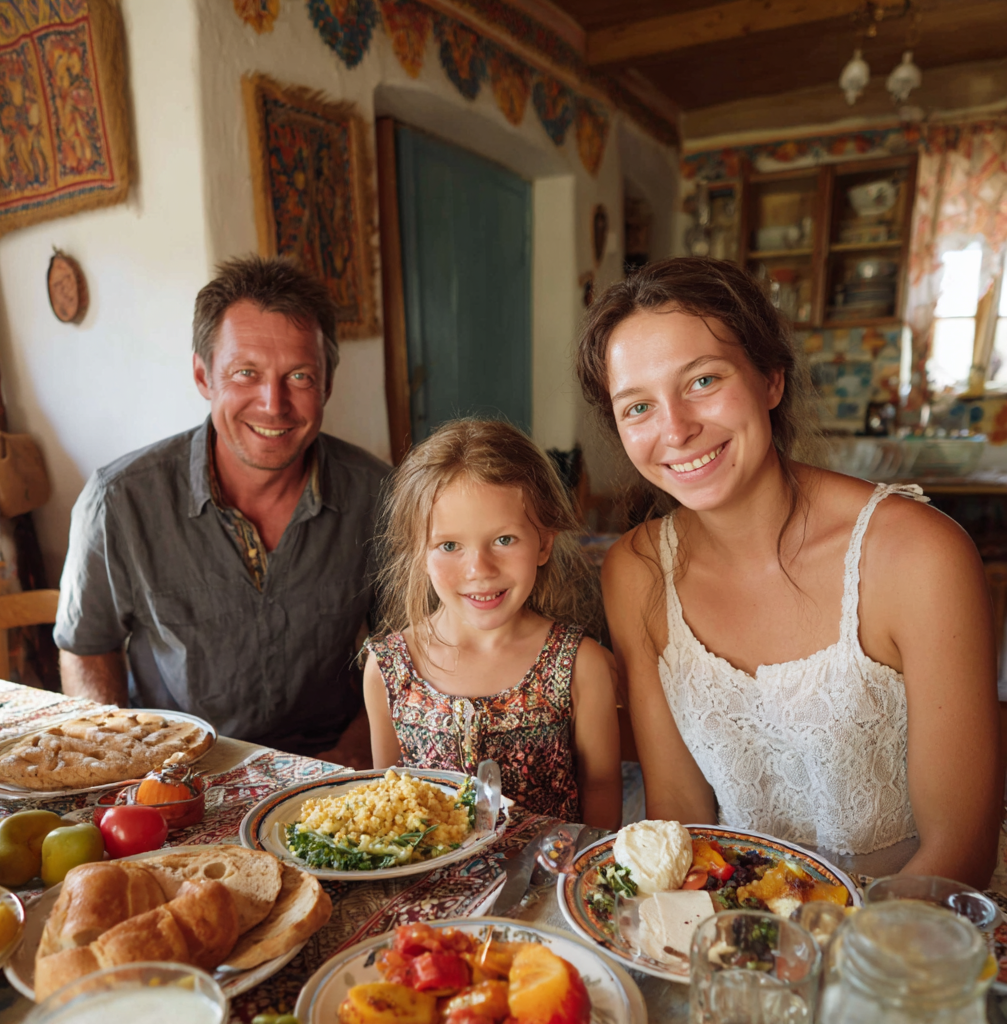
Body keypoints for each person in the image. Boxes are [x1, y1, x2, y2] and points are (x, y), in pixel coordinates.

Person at [578, 257, 1001, 886]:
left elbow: (961, 849)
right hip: (735, 930)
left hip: (908, 942)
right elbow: (682, 820)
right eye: (637, 407)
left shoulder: (917, 556)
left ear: (771, 379)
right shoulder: (635, 571)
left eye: (702, 381)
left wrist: (813, 959)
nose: (677, 428)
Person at [54, 256, 389, 755]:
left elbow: (410, 653)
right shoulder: (119, 500)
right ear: (202, 376)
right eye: (246, 373)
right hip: (178, 768)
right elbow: (85, 648)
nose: (273, 404)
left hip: (331, 768)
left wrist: (349, 760)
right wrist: (121, 758)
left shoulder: (381, 494)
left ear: (327, 384)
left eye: (299, 376)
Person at [363, 420, 622, 828]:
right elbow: (390, 801)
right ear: (419, 552)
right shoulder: (388, 669)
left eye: (504, 540)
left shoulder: (579, 665)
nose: (479, 569)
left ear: (545, 541)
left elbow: (602, 788)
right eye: (449, 545)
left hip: (547, 884)